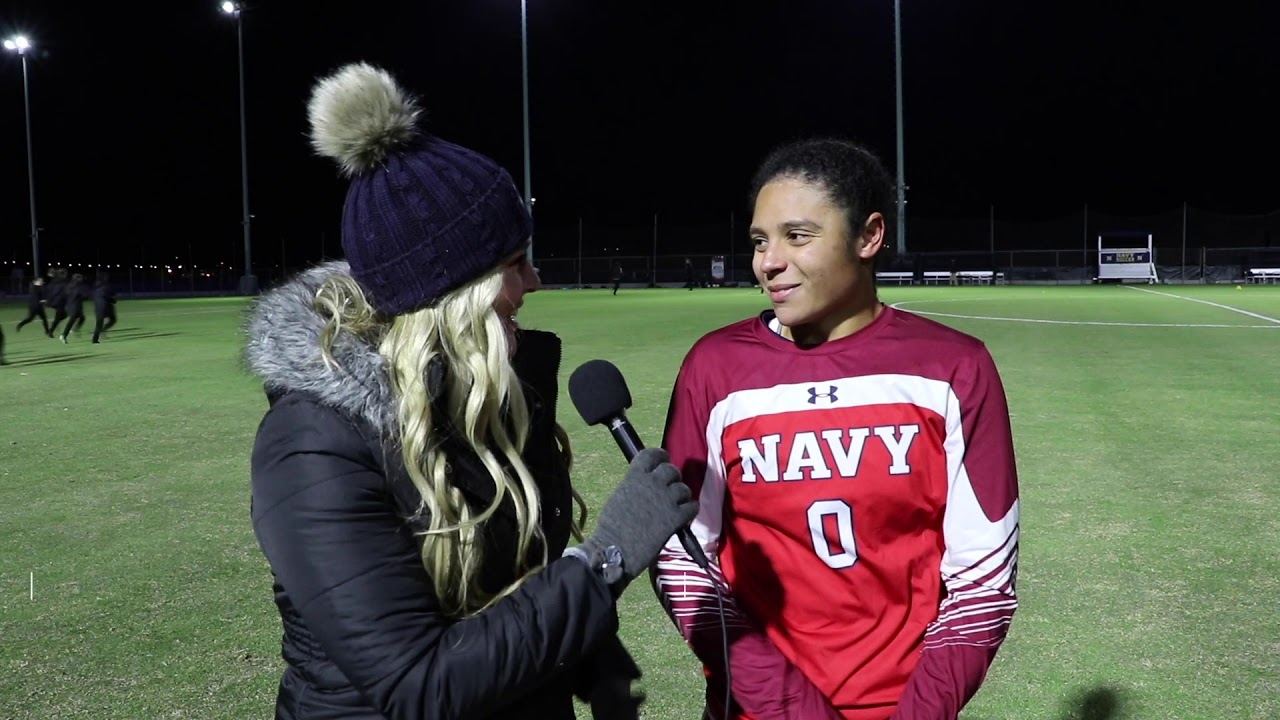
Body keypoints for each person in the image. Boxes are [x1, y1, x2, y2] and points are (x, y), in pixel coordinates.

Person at [243, 62, 698, 720]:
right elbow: (419, 685)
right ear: (453, 291)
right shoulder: (313, 444)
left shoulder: (495, 394)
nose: (535, 281)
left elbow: (514, 589)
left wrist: (588, 650)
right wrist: (606, 561)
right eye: (514, 263)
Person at [651, 138, 1020, 720]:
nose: (768, 261)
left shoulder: (954, 368)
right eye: (759, 240)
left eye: (797, 237)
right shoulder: (715, 370)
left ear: (869, 236)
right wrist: (789, 709)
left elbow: (983, 584)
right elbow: (683, 563)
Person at [59, 273, 89, 343]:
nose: (82, 280)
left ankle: (73, 330)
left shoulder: (69, 285)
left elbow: (66, 294)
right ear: (77, 279)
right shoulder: (78, 287)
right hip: (75, 306)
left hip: (69, 305)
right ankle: (63, 335)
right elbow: (83, 296)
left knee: (82, 318)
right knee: (72, 320)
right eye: (80, 278)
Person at [91, 272, 117, 343]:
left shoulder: (95, 286)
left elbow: (95, 296)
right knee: (113, 319)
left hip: (98, 307)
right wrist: (113, 300)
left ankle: (95, 339)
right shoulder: (106, 286)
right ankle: (103, 330)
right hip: (106, 306)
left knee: (99, 323)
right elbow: (110, 294)